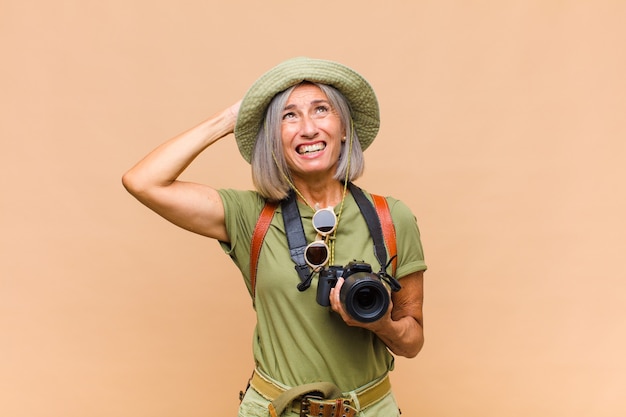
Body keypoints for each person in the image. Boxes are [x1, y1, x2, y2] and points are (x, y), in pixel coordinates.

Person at [122, 57, 427, 417]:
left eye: (321, 110)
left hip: (371, 409)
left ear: (344, 128)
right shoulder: (250, 216)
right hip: (273, 409)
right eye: (289, 116)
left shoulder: (390, 218)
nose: (308, 128)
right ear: (273, 138)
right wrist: (232, 118)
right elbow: (143, 181)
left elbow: (412, 342)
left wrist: (381, 324)